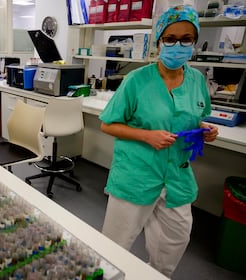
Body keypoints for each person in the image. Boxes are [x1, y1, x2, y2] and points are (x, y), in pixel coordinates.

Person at [99, 5, 219, 278]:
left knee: (174, 242)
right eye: (171, 38)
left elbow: (193, 117)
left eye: (186, 39)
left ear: (194, 42)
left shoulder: (197, 80)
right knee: (113, 247)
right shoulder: (136, 80)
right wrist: (146, 135)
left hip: (177, 176)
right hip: (137, 174)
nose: (178, 45)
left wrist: (205, 128)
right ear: (159, 41)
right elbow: (107, 124)